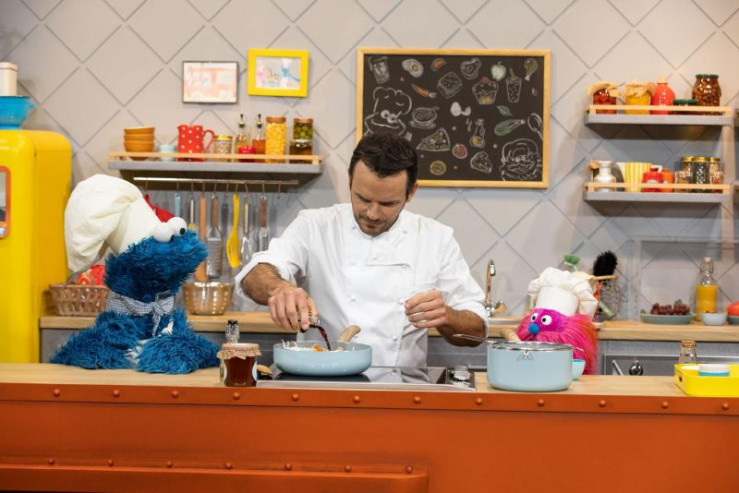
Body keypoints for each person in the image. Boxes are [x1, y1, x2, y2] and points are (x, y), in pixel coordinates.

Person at [235, 133, 486, 367]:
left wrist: (447, 316)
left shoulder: (436, 238)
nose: (373, 214)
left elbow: (477, 332)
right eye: (363, 199)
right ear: (350, 181)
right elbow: (254, 275)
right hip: (321, 382)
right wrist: (279, 288)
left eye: (388, 203)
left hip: (401, 389)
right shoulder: (314, 226)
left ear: (411, 192)